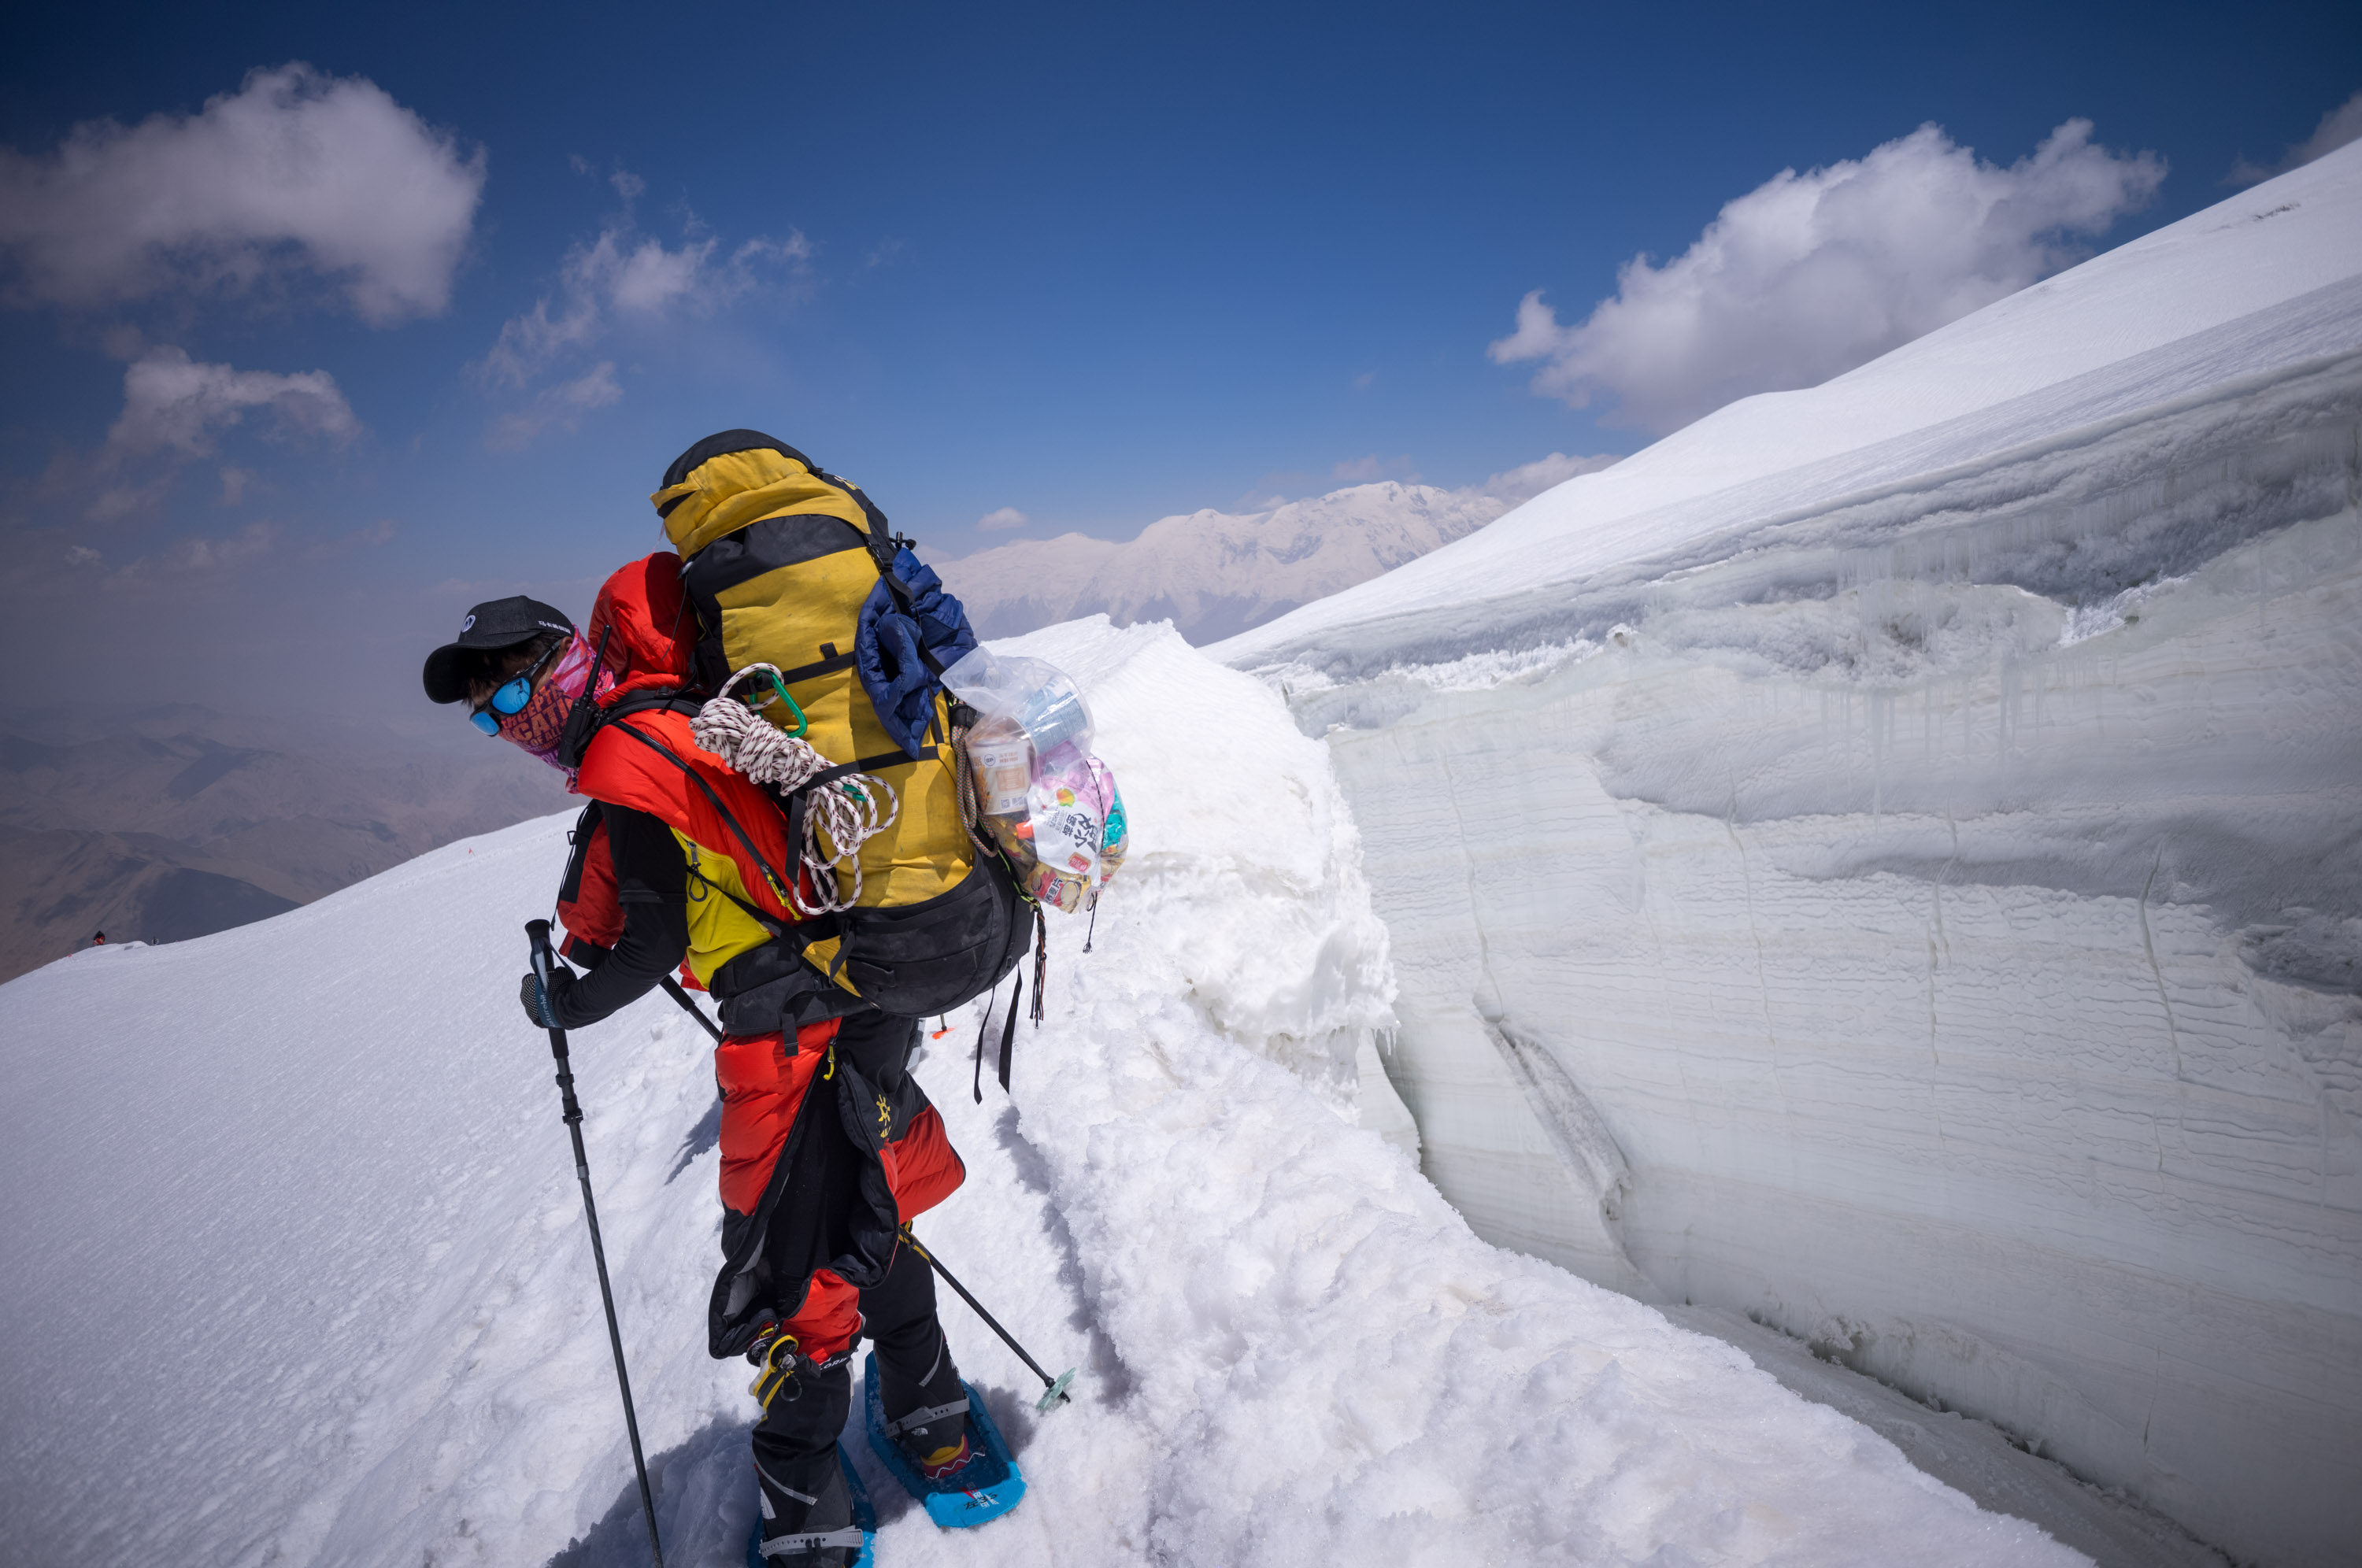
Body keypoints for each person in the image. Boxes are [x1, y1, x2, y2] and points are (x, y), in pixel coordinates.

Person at [421, 579, 980, 1567]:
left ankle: (805, 1500)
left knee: (793, 1262)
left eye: (509, 695)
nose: (505, 724)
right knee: (869, 1196)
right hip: (865, 981)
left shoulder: (628, 754)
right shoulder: (686, 714)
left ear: (561, 662)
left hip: (787, 1025)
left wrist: (565, 1006)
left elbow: (651, 943)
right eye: (484, 716)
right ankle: (927, 1404)